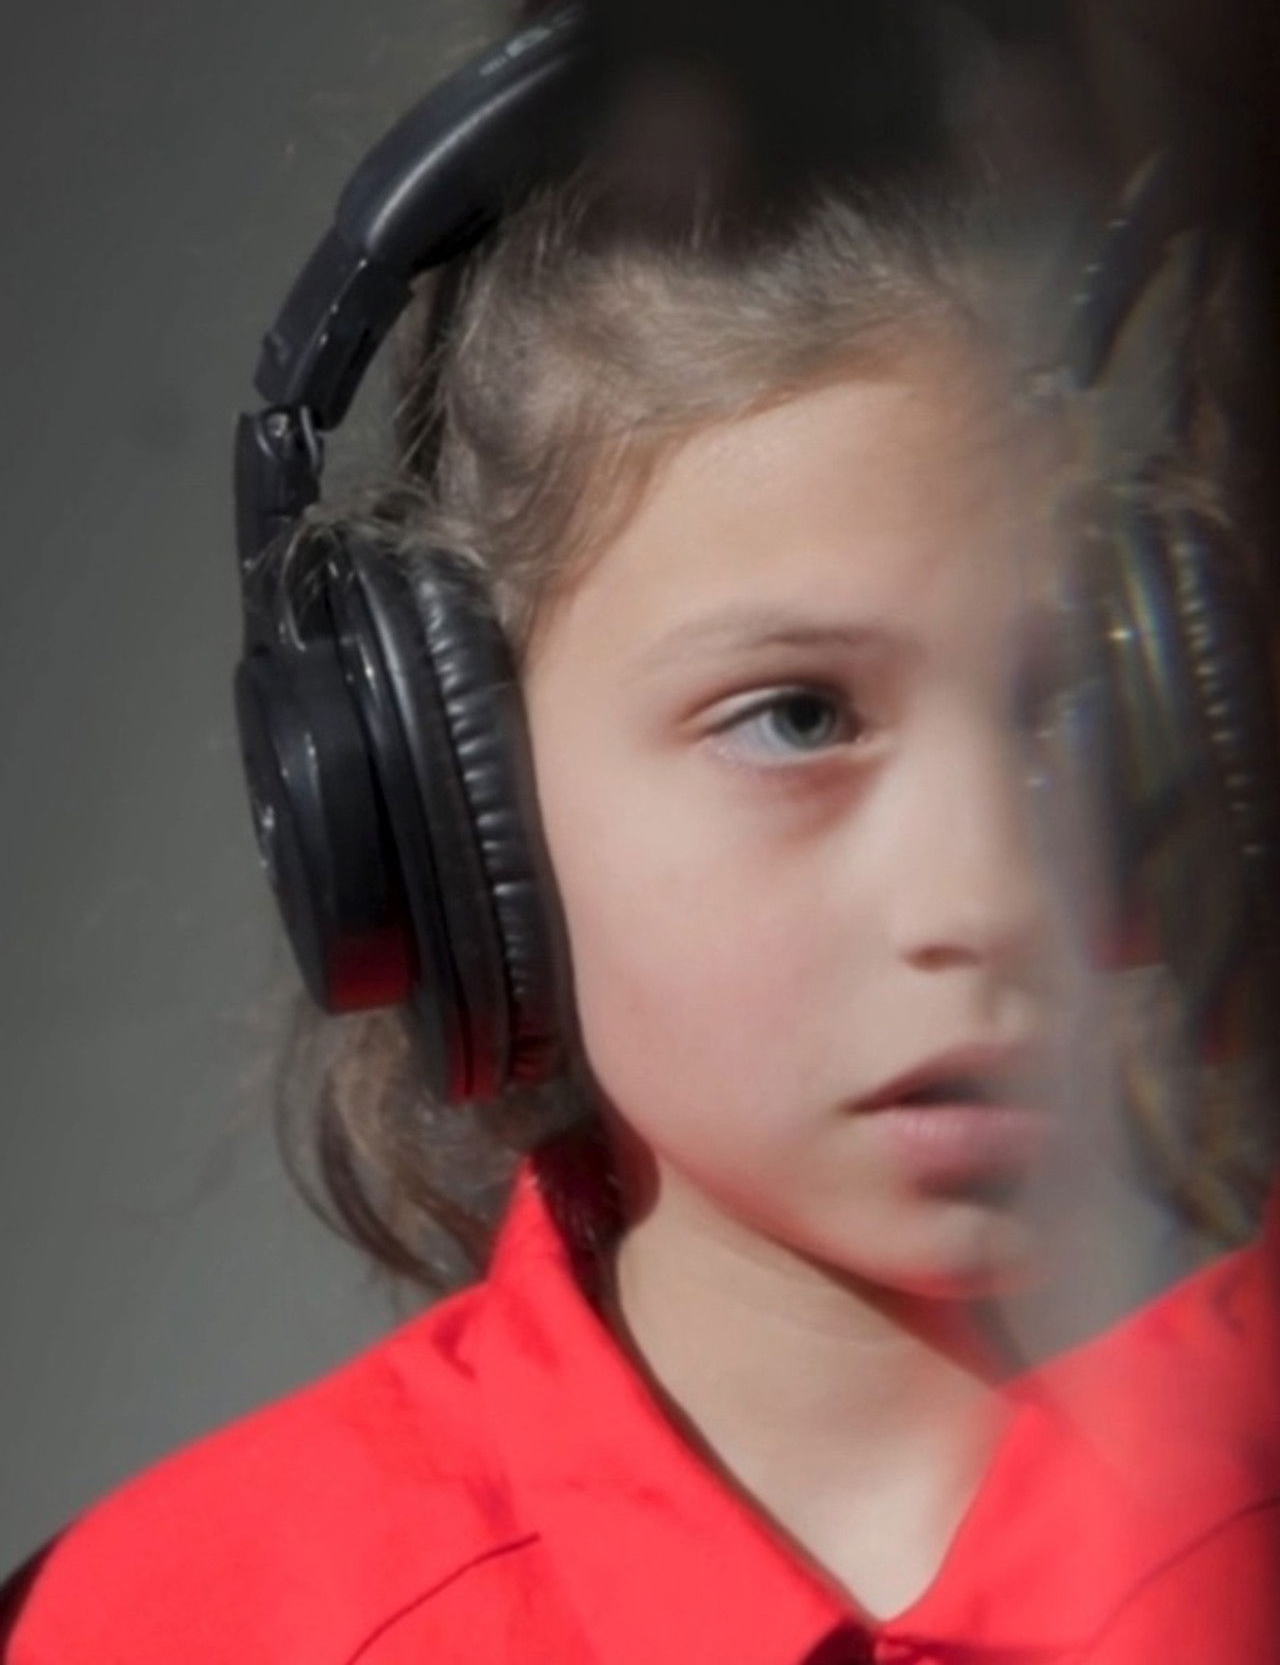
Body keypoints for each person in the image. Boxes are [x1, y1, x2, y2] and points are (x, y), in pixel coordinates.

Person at [6, 142, 1280, 1663]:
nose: (988, 894)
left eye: (1066, 702)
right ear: (443, 800)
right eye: (797, 717)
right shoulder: (162, 1628)